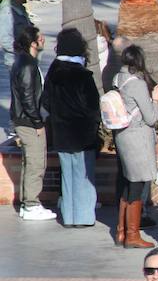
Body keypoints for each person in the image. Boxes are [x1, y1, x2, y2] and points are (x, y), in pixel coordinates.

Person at [42, 28, 102, 227]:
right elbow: (93, 107)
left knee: (67, 177)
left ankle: (69, 217)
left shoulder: (53, 72)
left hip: (61, 134)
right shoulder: (83, 75)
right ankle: (84, 218)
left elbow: (46, 103)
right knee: (83, 176)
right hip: (82, 135)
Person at [110, 46, 158, 248]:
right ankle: (132, 235)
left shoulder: (118, 79)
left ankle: (121, 232)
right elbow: (151, 117)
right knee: (137, 184)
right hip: (137, 139)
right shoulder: (137, 84)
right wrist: (156, 99)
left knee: (128, 182)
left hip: (123, 136)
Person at [10, 24, 54, 220]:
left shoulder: (24, 61)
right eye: (41, 37)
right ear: (33, 43)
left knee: (31, 162)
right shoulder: (28, 65)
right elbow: (27, 97)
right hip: (29, 121)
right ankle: (31, 205)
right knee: (36, 163)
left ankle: (28, 203)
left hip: (24, 119)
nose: (43, 40)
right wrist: (37, 122)